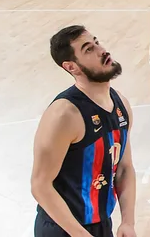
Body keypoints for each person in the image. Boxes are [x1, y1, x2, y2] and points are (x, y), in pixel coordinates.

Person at [31, 25, 137, 237]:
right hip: (63, 229)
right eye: (88, 49)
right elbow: (40, 185)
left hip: (100, 223)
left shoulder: (120, 104)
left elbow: (124, 168)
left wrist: (128, 222)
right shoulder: (64, 115)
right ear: (72, 67)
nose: (102, 51)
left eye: (97, 42)